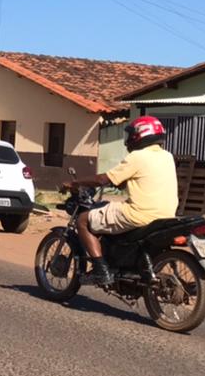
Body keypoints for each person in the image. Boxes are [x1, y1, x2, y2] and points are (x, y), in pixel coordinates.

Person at [65, 115, 178, 286]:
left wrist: (75, 183)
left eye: (131, 135)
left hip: (139, 214)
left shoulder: (137, 157)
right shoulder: (167, 156)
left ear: (140, 135)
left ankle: (100, 270)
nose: (128, 141)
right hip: (166, 215)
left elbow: (103, 179)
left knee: (83, 220)